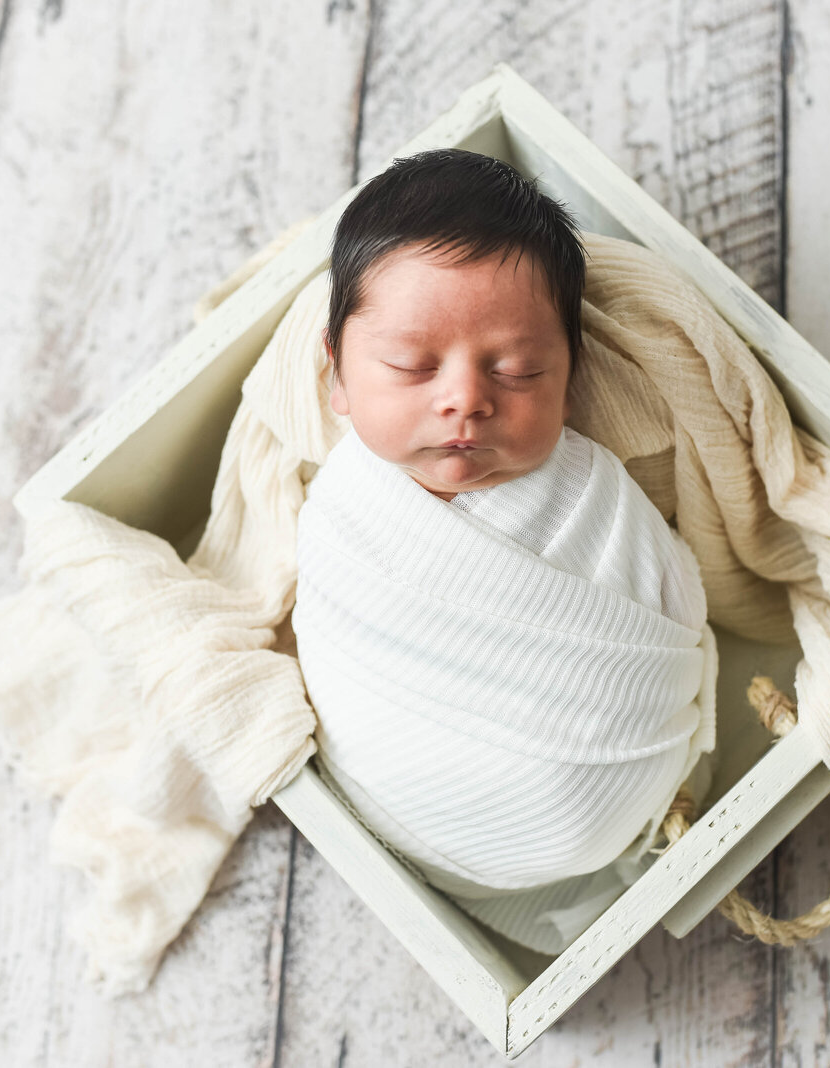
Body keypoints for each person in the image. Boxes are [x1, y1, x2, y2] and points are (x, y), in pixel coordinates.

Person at [292, 148, 718, 955]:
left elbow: (677, 602)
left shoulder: (593, 490)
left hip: (618, 788)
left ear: (569, 376)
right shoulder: (341, 510)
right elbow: (323, 633)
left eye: (518, 371)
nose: (466, 400)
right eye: (410, 366)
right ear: (338, 374)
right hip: (403, 814)